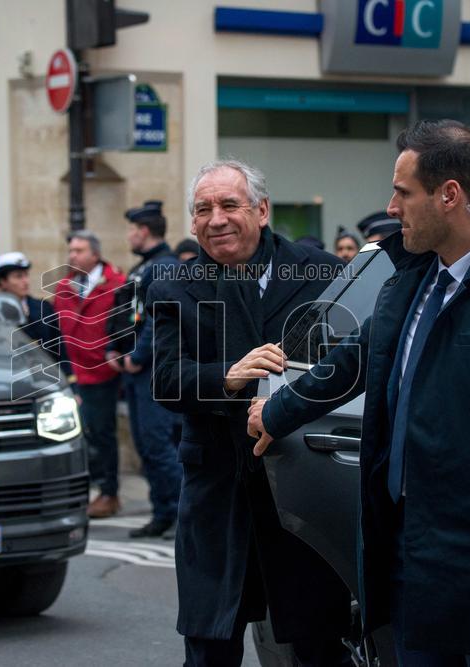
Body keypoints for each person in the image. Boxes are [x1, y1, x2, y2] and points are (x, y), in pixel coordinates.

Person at [248, 119, 470, 664]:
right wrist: (278, 411)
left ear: (449, 195)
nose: (391, 206)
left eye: (403, 192)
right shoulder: (410, 282)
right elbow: (352, 362)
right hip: (412, 559)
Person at [148, 159, 351, 665]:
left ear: (261, 211)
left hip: (303, 483)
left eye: (229, 205)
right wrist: (228, 375)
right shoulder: (172, 286)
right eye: (203, 209)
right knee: (211, 641)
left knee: (318, 640)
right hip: (217, 488)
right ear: (192, 224)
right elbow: (167, 380)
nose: (216, 218)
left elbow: (353, 364)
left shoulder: (321, 273)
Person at [105, 200, 183, 538]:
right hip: (136, 372)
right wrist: (113, 345)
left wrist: (137, 355)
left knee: (158, 445)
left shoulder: (163, 266)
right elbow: (124, 310)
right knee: (146, 446)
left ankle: (184, 514)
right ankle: (163, 511)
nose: (128, 236)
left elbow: (157, 319)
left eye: (132, 230)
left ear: (144, 231)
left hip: (151, 372)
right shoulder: (145, 267)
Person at [53, 230, 126, 518]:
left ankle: (109, 492)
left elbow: (124, 324)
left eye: (79, 251)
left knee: (102, 434)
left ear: (95, 254)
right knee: (77, 435)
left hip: (102, 373)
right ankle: (90, 490)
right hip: (72, 372)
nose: (73, 256)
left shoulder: (116, 284)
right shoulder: (64, 288)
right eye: (71, 250)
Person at [0, 251, 64, 360]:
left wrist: (68, 374)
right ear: (2, 281)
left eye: (26, 275)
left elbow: (58, 346)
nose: (26, 281)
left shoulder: (44, 307)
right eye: (18, 276)